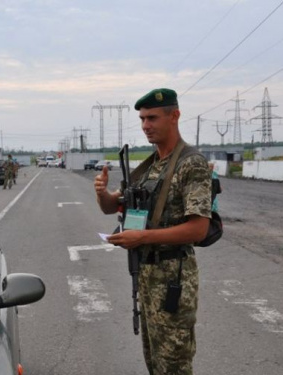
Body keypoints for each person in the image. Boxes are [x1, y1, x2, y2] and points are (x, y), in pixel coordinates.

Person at [94, 88, 211, 375]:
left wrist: (142, 237)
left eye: (153, 118)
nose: (146, 125)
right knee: (154, 361)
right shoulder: (150, 165)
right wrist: (102, 193)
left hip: (174, 276)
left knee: (173, 364)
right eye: (143, 119)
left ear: (175, 116)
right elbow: (112, 207)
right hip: (147, 276)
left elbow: (198, 228)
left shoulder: (190, 163)